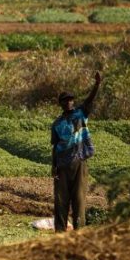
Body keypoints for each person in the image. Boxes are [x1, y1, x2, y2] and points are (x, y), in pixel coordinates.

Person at [51, 71, 101, 232]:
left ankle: (79, 231)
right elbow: (55, 146)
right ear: (61, 104)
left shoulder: (80, 114)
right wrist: (54, 166)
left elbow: (89, 100)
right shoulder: (56, 124)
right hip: (62, 166)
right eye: (65, 101)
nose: (69, 103)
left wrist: (97, 84)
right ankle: (60, 231)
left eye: (71, 100)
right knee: (60, 201)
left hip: (79, 163)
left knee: (79, 200)